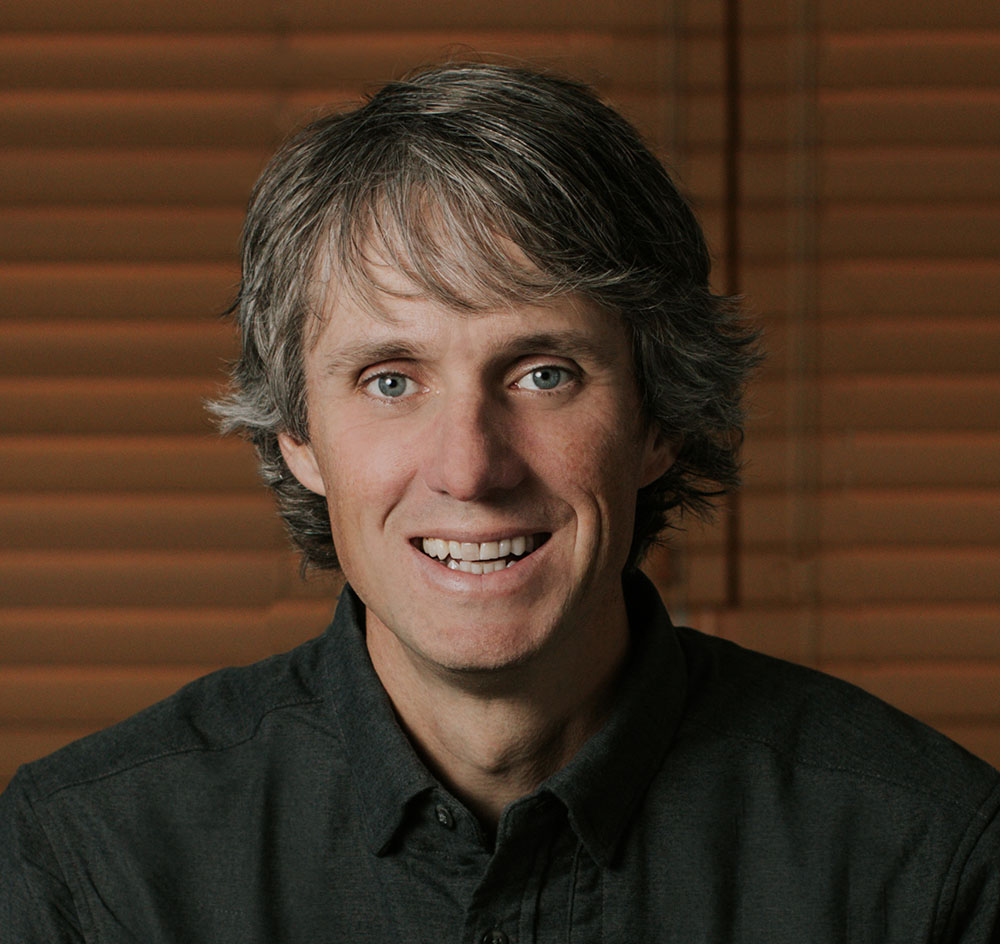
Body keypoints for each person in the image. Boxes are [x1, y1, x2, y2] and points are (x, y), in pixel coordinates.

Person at [1, 61, 997, 942]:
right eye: (391, 379)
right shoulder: (92, 865)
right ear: (294, 435)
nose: (470, 467)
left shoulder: (925, 856)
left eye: (542, 373)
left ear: (659, 419)